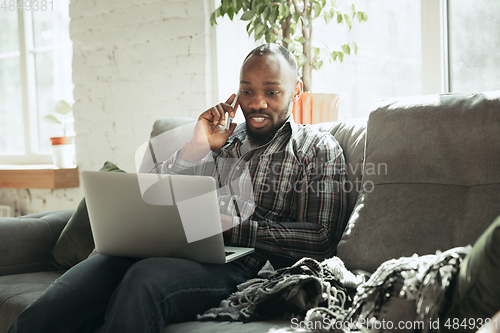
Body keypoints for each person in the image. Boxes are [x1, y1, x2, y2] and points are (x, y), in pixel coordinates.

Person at [8, 43, 346, 333]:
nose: (257, 103)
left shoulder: (316, 148)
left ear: (296, 90)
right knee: (86, 278)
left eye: (271, 91)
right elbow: (152, 194)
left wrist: (230, 227)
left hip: (246, 268)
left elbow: (320, 238)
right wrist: (195, 148)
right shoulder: (223, 141)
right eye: (247, 90)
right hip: (179, 250)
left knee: (146, 278)